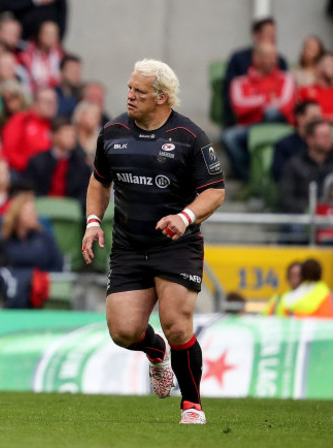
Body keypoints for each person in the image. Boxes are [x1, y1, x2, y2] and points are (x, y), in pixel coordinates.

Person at [81, 59, 225, 425]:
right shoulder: (112, 132)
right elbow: (99, 181)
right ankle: (155, 351)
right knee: (123, 331)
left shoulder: (189, 137)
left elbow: (214, 192)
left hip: (176, 246)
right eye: (129, 88)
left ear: (161, 97)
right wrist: (93, 221)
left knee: (177, 323)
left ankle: (192, 405)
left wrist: (184, 217)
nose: (130, 96)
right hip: (129, 246)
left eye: (139, 91)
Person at [222, 42, 296, 181]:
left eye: (274, 56)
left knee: (272, 113)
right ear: (256, 58)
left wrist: (256, 104)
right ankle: (249, 179)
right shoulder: (240, 81)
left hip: (279, 126)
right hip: (249, 128)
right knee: (228, 137)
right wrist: (267, 98)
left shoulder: (286, 78)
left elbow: (285, 105)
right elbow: (239, 107)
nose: (273, 60)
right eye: (268, 56)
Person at [222, 17, 288, 128]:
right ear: (256, 35)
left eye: (274, 34)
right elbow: (230, 94)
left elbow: (283, 96)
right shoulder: (239, 58)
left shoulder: (280, 61)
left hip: (272, 116)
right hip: (245, 117)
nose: (273, 37)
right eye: (269, 33)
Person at [278, 119, 333, 215]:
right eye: (323, 136)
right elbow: (286, 199)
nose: (328, 139)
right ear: (310, 140)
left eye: (329, 136)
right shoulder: (294, 164)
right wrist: (313, 209)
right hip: (303, 216)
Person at [262, 259, 333, 318]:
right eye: (292, 275)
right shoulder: (278, 300)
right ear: (287, 278)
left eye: (297, 275)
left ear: (303, 276)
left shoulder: (319, 294)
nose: (294, 278)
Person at [271, 100, 321, 182]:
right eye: (313, 118)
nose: (318, 122)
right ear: (300, 118)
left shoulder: (325, 145)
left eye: (319, 118)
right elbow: (278, 173)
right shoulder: (284, 145)